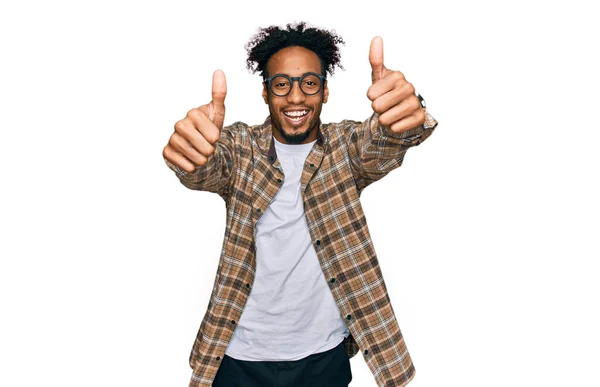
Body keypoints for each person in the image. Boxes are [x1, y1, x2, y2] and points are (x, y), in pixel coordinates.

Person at [163, 22, 438, 387]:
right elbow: (210, 167)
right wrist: (192, 155)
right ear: (265, 93)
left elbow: (382, 141)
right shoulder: (241, 147)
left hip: (323, 357)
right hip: (239, 356)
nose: (296, 97)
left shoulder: (344, 148)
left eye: (309, 83)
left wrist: (406, 114)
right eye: (282, 84)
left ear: (324, 91)